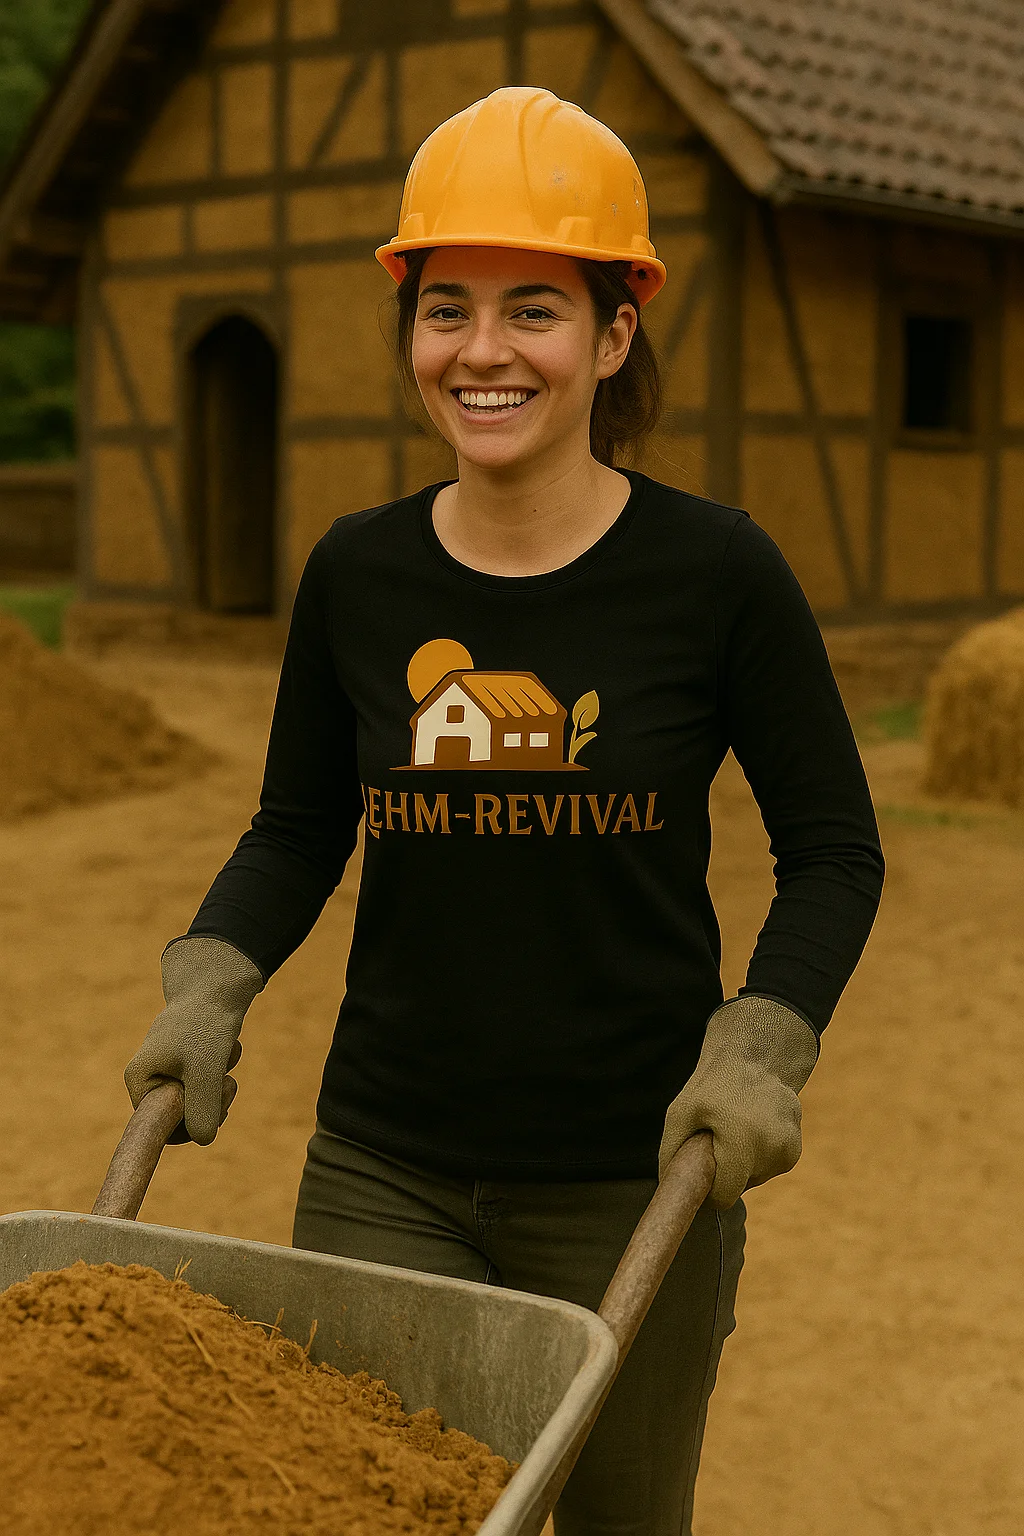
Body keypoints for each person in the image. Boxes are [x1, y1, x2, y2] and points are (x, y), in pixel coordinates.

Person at [125, 87, 884, 1535]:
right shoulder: (359, 573)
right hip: (380, 1171)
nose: (481, 351)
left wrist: (761, 1050)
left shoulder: (717, 574)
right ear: (411, 332)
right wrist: (207, 987)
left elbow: (835, 854)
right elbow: (298, 828)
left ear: (613, 336)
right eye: (445, 307)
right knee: (373, 1513)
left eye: (534, 309)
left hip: (635, 1180)